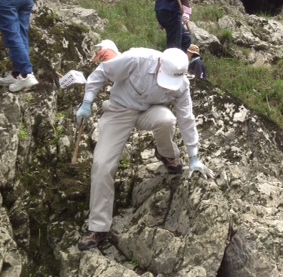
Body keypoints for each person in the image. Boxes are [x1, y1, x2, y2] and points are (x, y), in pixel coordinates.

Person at [75, 47, 214, 251]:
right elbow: (101, 72)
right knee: (102, 165)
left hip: (149, 112)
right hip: (120, 110)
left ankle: (167, 155)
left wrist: (194, 157)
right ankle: (98, 227)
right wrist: (87, 102)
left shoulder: (182, 84)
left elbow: (186, 118)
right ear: (160, 65)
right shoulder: (137, 59)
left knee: (167, 120)